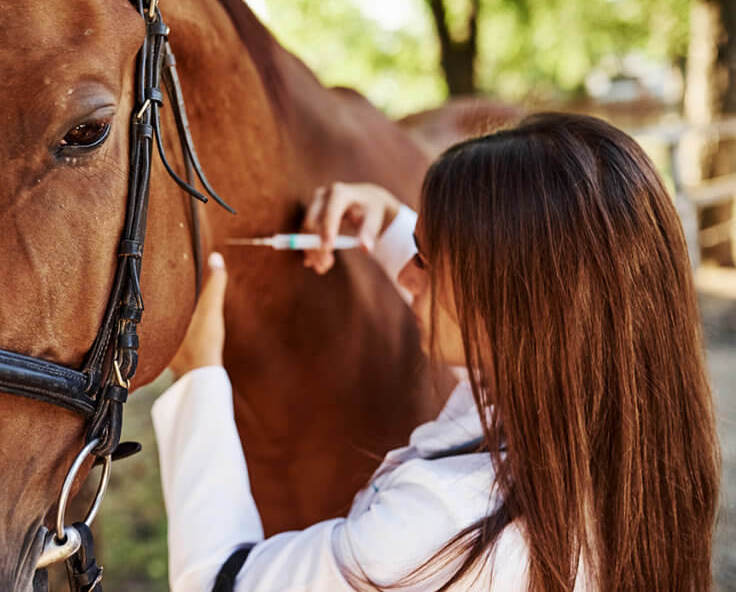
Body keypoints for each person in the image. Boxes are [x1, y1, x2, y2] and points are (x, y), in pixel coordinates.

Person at [151, 113, 720, 591]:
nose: (405, 273)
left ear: (505, 304)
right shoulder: (617, 444)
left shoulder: (439, 525)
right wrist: (387, 225)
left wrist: (199, 375)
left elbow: (219, 580)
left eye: (424, 259)